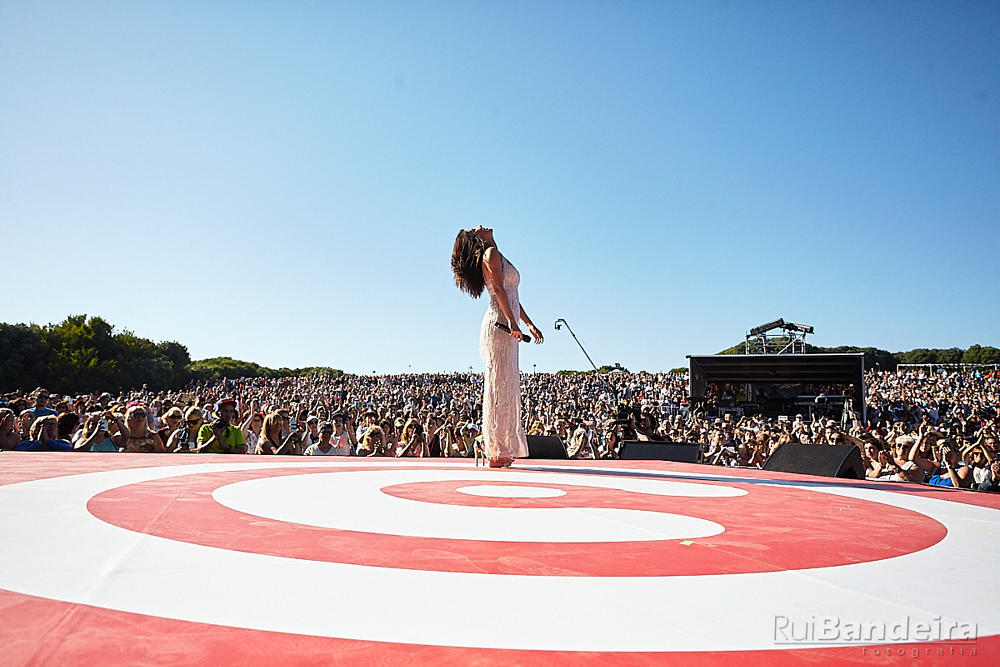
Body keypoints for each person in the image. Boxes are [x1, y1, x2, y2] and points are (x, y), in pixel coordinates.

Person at [451, 225, 543, 467]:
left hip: (507, 321)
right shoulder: (490, 254)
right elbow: (499, 290)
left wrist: (528, 323)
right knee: (499, 384)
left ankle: (501, 447)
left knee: (506, 383)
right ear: (475, 237)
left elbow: (511, 295)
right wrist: (512, 321)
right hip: (500, 322)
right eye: (475, 228)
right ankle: (495, 448)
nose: (481, 226)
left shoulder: (496, 254)